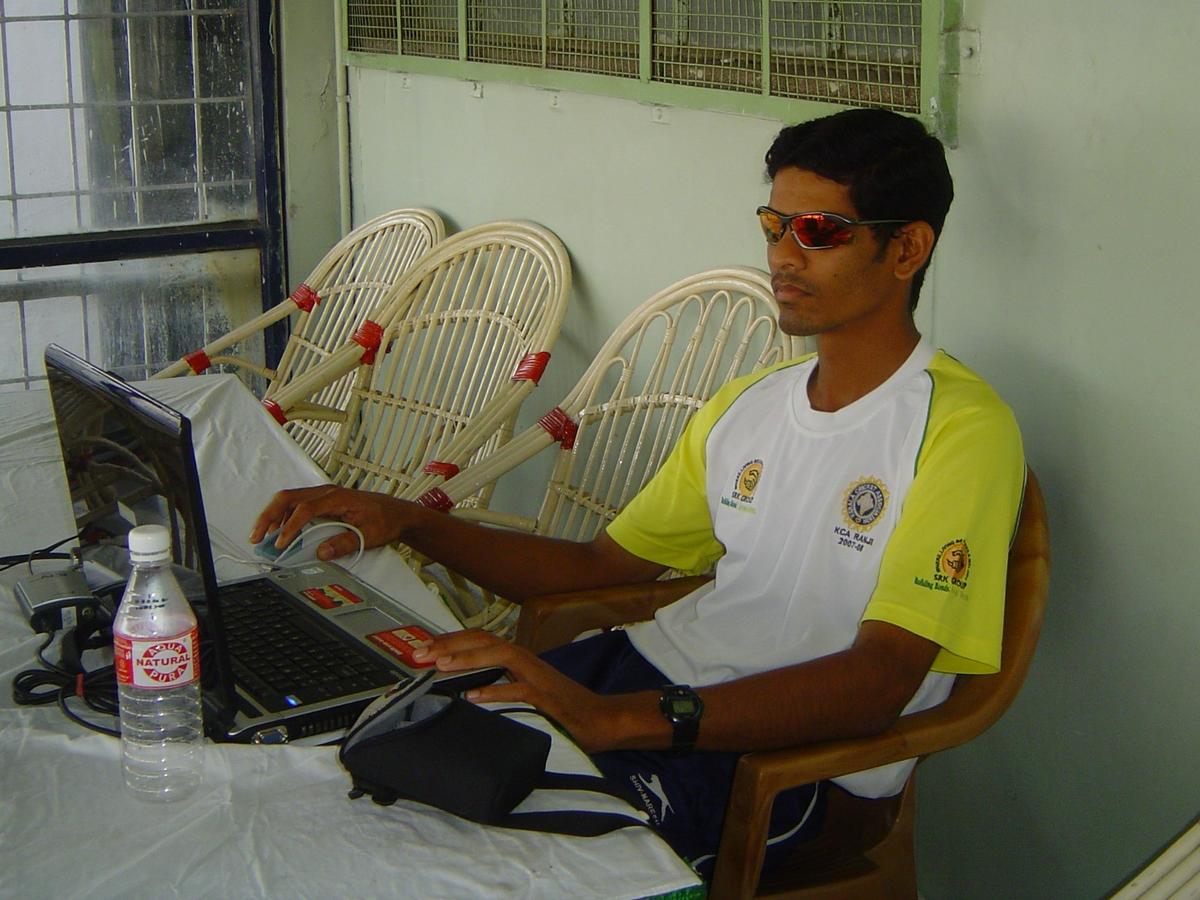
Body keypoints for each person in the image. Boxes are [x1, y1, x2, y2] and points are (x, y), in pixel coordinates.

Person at [251, 108, 1025, 876]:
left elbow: (879, 683)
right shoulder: (748, 406)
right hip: (640, 677)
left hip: (782, 760)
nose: (783, 257)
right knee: (371, 771)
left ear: (907, 249)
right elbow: (597, 567)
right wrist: (407, 520)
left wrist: (610, 721)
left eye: (819, 231)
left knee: (497, 865)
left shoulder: (962, 429)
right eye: (773, 225)